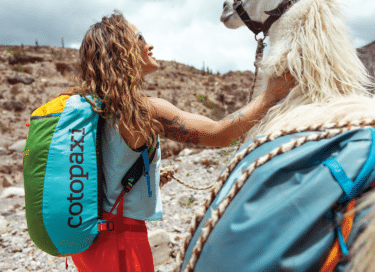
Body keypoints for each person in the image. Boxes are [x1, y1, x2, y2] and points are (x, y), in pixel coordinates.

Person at [61, 9, 296, 272]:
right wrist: (271, 94)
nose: (148, 45)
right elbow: (218, 133)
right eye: (140, 38)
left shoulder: (95, 107)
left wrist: (145, 179)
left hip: (91, 242)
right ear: (121, 51)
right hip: (121, 243)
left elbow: (103, 172)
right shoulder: (143, 110)